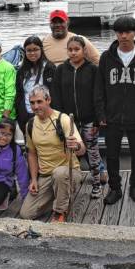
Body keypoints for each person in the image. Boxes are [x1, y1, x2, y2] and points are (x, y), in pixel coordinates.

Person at [95, 16, 135, 205]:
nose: (124, 36)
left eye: (128, 32)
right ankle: (115, 188)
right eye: (120, 32)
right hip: (111, 116)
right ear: (116, 34)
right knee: (111, 155)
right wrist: (101, 113)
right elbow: (99, 88)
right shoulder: (106, 57)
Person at [19, 85, 86, 222]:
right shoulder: (30, 124)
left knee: (60, 174)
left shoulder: (63, 119)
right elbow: (32, 153)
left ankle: (60, 212)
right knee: (26, 214)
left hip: (68, 172)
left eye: (39, 102)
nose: (36, 106)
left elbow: (82, 149)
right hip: (45, 175)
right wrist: (33, 179)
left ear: (48, 100)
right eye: (32, 103)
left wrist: (76, 145)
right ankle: (60, 197)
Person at [51, 36, 103, 199]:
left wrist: (97, 118)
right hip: (68, 120)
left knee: (92, 152)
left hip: (88, 119)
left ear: (83, 50)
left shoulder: (93, 69)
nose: (73, 53)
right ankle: (70, 184)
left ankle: (96, 183)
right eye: (70, 50)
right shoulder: (61, 70)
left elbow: (98, 95)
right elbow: (56, 95)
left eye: (76, 49)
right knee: (68, 152)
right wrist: (59, 118)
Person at [15, 36, 56, 136]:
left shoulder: (50, 68)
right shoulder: (21, 70)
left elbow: (54, 93)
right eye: (29, 50)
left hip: (46, 114)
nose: (32, 53)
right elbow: (19, 94)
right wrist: (21, 116)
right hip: (27, 115)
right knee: (30, 145)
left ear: (41, 50)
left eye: (35, 49)